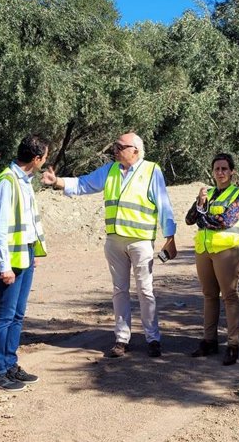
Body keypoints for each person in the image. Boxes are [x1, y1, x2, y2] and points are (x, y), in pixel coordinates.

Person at [42, 132, 177, 358]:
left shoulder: (152, 171)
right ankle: (121, 339)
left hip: (141, 240)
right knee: (119, 291)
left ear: (135, 150)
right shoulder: (110, 170)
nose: (115, 150)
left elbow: (164, 205)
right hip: (114, 241)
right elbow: (84, 183)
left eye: (120, 146)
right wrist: (58, 182)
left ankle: (153, 338)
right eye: (115, 146)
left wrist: (170, 237)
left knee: (145, 290)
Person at [0, 134, 50, 390]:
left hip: (25, 255)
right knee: (4, 315)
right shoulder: (8, 182)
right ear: (36, 158)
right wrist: (4, 265)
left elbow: (27, 221)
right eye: (45, 157)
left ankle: (10, 365)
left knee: (17, 314)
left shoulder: (24, 181)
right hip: (11, 259)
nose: (45, 161)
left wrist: (34, 253)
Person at [186, 153, 239, 366]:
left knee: (229, 296)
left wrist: (202, 215)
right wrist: (200, 204)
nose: (220, 173)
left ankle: (233, 344)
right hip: (204, 250)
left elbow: (224, 221)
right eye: (217, 169)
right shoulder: (208, 193)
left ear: (232, 171)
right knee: (208, 295)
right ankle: (209, 340)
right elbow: (189, 219)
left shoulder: (238, 195)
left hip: (226, 251)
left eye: (224, 169)